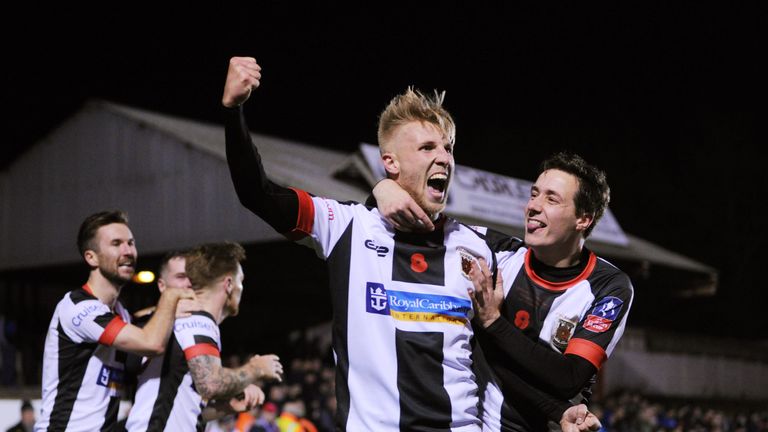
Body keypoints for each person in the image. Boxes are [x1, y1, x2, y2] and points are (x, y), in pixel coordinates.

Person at [222, 56, 599, 432]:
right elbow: (258, 194)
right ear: (391, 162)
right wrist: (234, 112)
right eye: (427, 148)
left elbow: (503, 343)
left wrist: (556, 409)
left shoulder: (481, 247)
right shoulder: (347, 227)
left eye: (448, 148)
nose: (444, 158)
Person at [374, 152, 633, 430]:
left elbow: (568, 377)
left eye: (551, 199)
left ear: (583, 219)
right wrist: (382, 188)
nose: (533, 206)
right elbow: (419, 219)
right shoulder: (495, 251)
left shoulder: (608, 287)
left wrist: (493, 323)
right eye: (534, 194)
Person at [34, 210, 195, 432]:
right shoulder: (78, 307)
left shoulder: (121, 313)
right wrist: (170, 297)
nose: (128, 251)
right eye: (116, 243)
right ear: (91, 257)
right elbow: (152, 343)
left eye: (131, 243)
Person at [125, 242, 284, 431]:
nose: (242, 288)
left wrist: (227, 407)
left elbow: (183, 406)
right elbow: (211, 383)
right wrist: (255, 369)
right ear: (229, 284)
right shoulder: (198, 321)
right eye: (241, 281)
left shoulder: (180, 321)